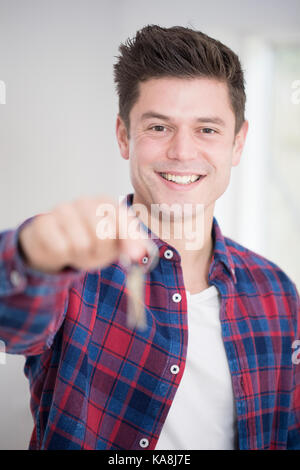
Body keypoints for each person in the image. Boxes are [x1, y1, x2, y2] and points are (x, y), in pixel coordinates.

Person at [0, 24, 299, 450]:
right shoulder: (70, 267)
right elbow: (12, 318)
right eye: (158, 127)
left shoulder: (278, 295)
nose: (181, 152)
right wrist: (33, 254)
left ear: (237, 143)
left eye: (207, 129)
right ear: (124, 136)